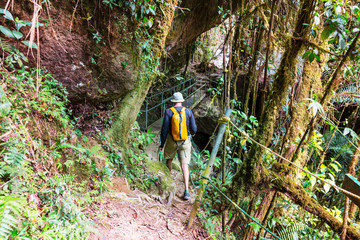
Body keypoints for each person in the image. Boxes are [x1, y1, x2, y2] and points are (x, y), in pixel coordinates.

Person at [159, 92, 197, 200]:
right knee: (185, 166)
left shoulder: (168, 112)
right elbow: (194, 127)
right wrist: (192, 133)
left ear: (173, 101)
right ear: (181, 101)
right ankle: (186, 191)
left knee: (169, 160)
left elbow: (164, 129)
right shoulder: (188, 111)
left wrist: (162, 144)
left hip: (172, 141)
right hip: (185, 142)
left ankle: (169, 183)